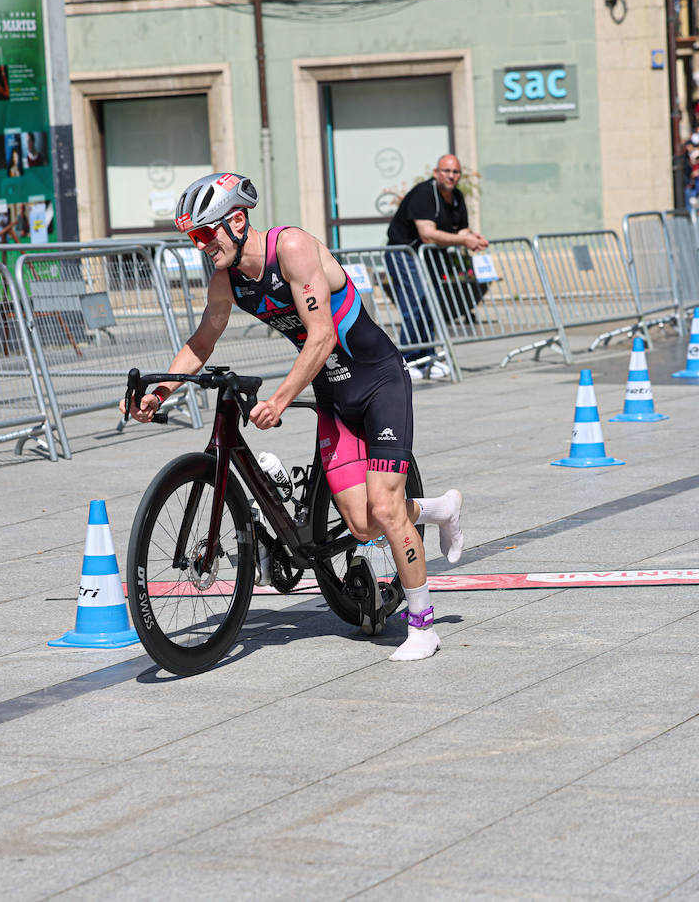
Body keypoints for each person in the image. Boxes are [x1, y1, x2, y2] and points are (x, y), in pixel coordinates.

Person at [126, 172, 464, 662]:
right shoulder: (225, 278)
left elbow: (322, 334)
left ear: (237, 221)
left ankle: (422, 626)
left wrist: (281, 399)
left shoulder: (294, 249)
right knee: (365, 525)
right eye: (193, 238)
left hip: (379, 384)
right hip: (334, 398)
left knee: (388, 510)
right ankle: (439, 509)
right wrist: (159, 392)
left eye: (205, 233)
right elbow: (202, 341)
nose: (200, 246)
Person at [384, 154, 486, 379]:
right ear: (436, 173)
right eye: (447, 171)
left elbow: (460, 230)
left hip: (428, 257)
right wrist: (463, 240)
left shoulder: (456, 196)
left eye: (456, 172)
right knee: (415, 305)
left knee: (432, 305)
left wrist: (473, 238)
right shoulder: (424, 194)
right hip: (405, 254)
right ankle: (409, 360)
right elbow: (427, 235)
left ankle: (427, 356)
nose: (451, 176)